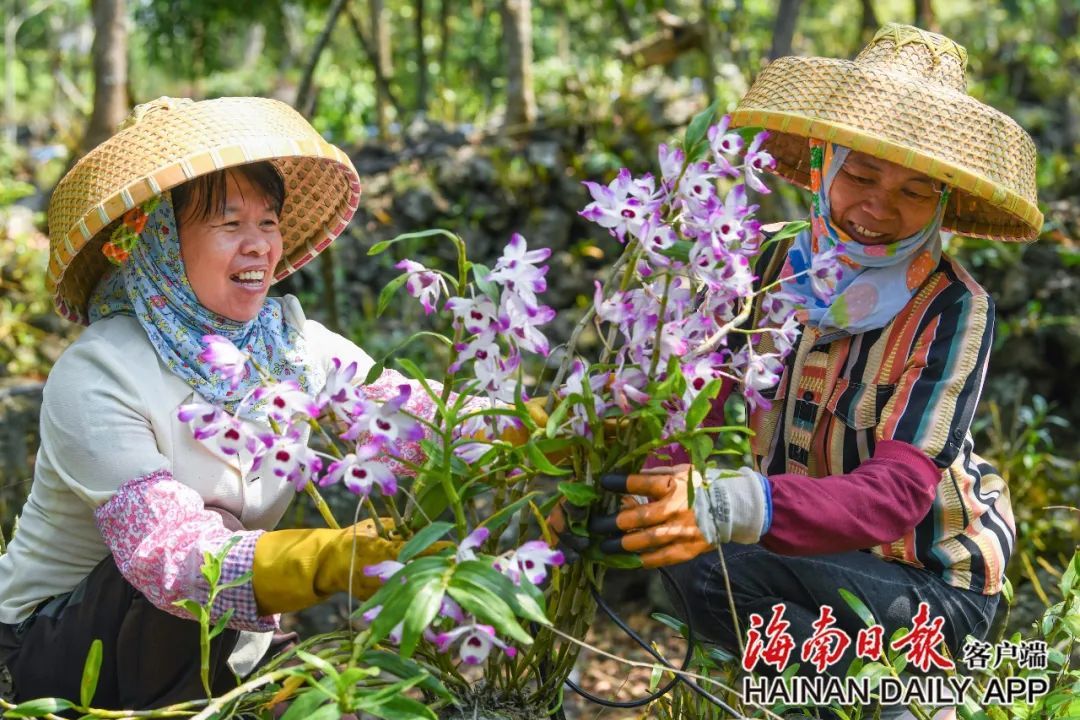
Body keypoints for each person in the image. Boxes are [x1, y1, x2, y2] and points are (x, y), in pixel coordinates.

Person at [0, 96, 516, 708]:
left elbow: (420, 423)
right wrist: (330, 558)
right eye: (228, 224)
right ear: (159, 240)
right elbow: (169, 558)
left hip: (202, 642)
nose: (259, 247)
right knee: (200, 538)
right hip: (54, 648)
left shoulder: (291, 345)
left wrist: (532, 430)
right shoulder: (98, 372)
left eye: (268, 222)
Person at [589, 23, 1039, 708]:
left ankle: (908, 692)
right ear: (826, 163)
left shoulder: (955, 307)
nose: (878, 208)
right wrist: (653, 490)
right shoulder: (768, 271)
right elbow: (703, 406)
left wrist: (732, 504)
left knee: (721, 572)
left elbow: (896, 495)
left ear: (944, 203)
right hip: (807, 556)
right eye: (860, 174)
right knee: (688, 560)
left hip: (932, 581)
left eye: (915, 192)